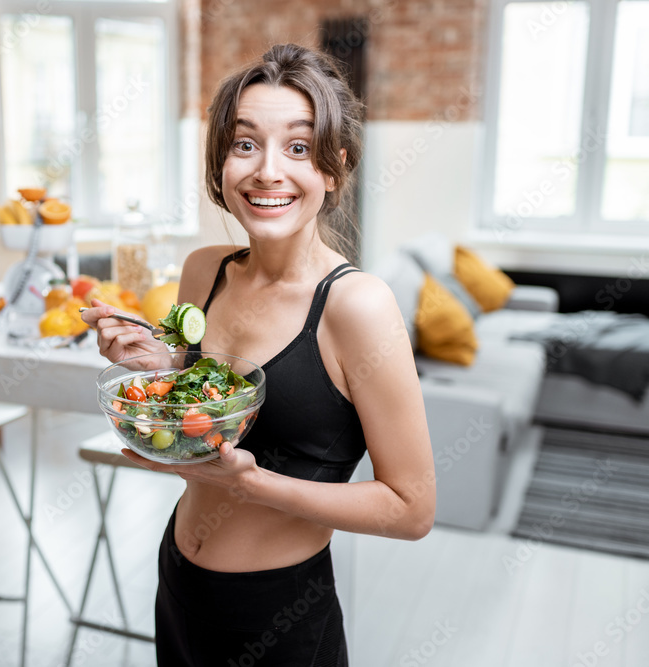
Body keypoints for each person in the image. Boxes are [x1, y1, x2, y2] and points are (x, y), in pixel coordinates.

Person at [81, 43, 435, 666]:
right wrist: (153, 368)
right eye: (245, 144)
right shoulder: (205, 271)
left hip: (282, 615)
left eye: (298, 148)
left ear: (334, 168)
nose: (267, 171)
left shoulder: (357, 306)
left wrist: (255, 485)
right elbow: (207, 405)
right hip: (179, 582)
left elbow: (411, 509)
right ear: (221, 162)